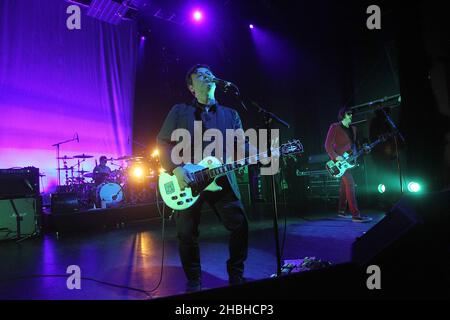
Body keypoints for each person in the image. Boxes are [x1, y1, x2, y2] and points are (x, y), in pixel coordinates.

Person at [157, 64, 249, 292]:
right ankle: (194, 281)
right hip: (187, 180)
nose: (207, 76)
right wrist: (175, 169)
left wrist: (265, 153)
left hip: (221, 178)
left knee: (240, 226)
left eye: (209, 73)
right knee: (187, 234)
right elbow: (162, 142)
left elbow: (242, 146)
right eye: (200, 75)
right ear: (191, 87)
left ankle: (236, 275)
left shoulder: (231, 114)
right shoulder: (179, 111)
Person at [324, 107, 372, 222]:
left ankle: (341, 211)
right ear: (342, 115)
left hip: (349, 162)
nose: (351, 115)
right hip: (338, 163)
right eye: (349, 114)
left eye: (351, 114)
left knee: (344, 186)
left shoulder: (353, 129)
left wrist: (364, 149)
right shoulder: (334, 127)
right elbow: (327, 146)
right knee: (350, 184)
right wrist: (336, 157)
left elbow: (354, 146)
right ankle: (356, 215)